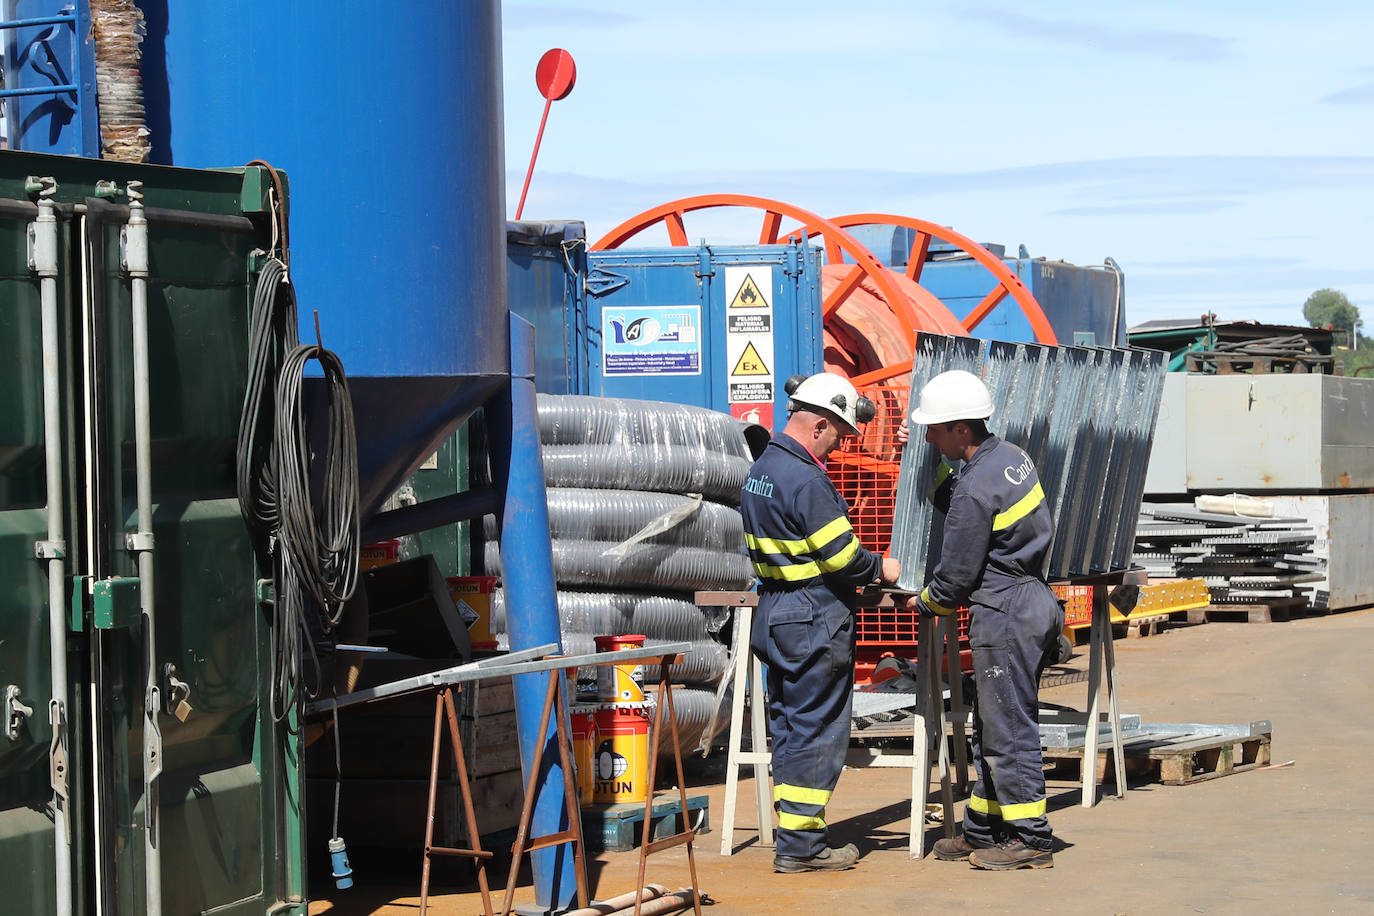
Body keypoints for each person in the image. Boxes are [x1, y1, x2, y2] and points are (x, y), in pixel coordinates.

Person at [740, 371, 902, 874]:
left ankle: (795, 830)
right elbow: (842, 559)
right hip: (813, 618)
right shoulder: (807, 479)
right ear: (819, 424)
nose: (836, 449)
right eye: (838, 436)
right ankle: (803, 848)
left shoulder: (762, 468)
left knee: (789, 726)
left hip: (775, 612)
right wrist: (883, 568)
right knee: (818, 729)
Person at [904, 368, 1061, 870]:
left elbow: (957, 574)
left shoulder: (974, 489)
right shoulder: (1011, 457)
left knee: (1008, 726)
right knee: (992, 724)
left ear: (962, 430)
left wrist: (927, 602)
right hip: (1031, 599)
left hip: (1004, 612)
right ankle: (983, 828)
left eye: (935, 428)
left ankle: (1032, 840)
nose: (929, 437)